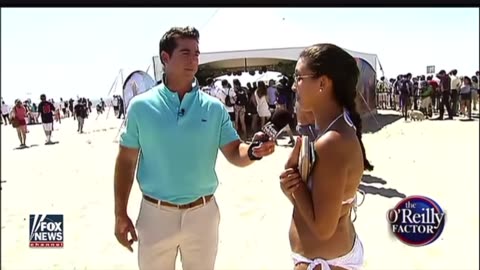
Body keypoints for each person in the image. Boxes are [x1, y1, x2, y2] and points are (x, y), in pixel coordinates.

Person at [113, 26, 276, 270]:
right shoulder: (140, 107)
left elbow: (234, 151)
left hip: (203, 215)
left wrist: (252, 152)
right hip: (155, 215)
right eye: (186, 53)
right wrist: (120, 213)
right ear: (165, 58)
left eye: (197, 53)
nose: (194, 60)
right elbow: (126, 161)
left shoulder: (214, 108)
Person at [279, 43, 373, 270]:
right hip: (326, 258)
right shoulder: (333, 131)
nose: (293, 86)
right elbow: (319, 209)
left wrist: (295, 187)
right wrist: (291, 187)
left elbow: (322, 229)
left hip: (326, 262)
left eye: (299, 77)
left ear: (322, 83)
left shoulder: (331, 142)